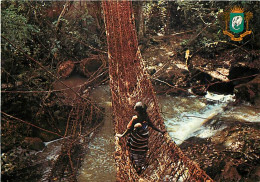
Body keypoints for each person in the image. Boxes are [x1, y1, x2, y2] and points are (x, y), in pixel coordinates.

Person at [116, 101, 166, 174]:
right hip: (144, 139)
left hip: (136, 140)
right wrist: (161, 131)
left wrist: (121, 135)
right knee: (141, 151)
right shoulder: (146, 116)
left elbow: (129, 130)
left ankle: (136, 165)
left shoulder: (135, 118)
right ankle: (140, 165)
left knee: (133, 148)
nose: (134, 106)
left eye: (135, 106)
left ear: (137, 110)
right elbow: (152, 125)